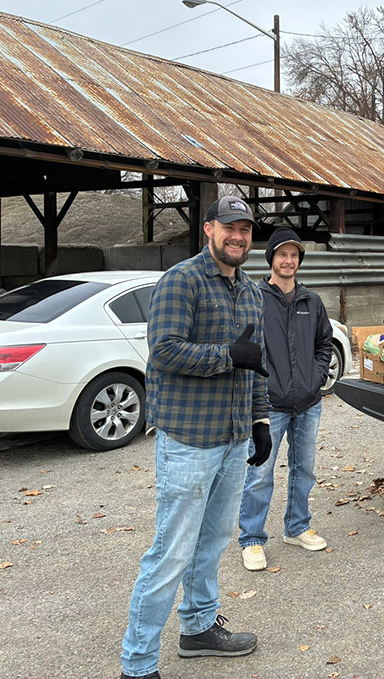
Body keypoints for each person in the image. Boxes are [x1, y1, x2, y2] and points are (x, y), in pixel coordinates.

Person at [120, 196, 273, 679]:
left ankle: (198, 627)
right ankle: (138, 664)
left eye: (246, 229)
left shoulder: (251, 291)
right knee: (172, 550)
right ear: (209, 229)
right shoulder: (181, 280)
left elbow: (257, 365)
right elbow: (164, 351)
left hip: (232, 440)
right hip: (188, 439)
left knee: (212, 542)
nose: (239, 237)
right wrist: (228, 355)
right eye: (230, 227)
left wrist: (261, 422)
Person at [238, 227, 333, 571]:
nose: (288, 261)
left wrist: (316, 376)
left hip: (308, 402)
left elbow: (324, 344)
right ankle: (251, 539)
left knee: (303, 468)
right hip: (269, 404)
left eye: (294, 255)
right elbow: (245, 348)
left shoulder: (312, 301)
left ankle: (297, 527)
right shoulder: (255, 298)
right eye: (282, 254)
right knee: (260, 472)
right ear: (272, 259)